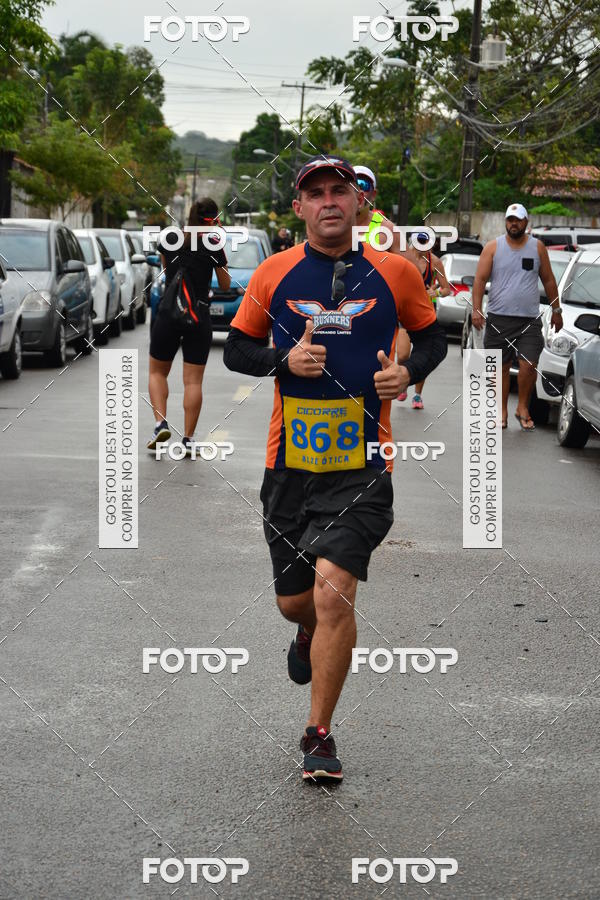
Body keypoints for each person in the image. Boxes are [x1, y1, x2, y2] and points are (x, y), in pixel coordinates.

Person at [223, 155, 447, 781]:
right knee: (296, 603)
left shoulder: (396, 272)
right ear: (299, 208)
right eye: (315, 193)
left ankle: (318, 734)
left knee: (332, 592)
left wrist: (410, 371)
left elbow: (432, 337)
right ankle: (303, 635)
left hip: (365, 466)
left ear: (359, 205)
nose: (328, 202)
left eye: (339, 192)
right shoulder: (273, 273)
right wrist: (281, 361)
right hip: (288, 463)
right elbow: (237, 351)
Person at [147, 198, 231, 452]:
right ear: (214, 219)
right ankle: (188, 439)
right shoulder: (213, 245)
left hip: (168, 314)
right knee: (193, 382)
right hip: (199, 315)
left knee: (157, 372)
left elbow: (165, 271)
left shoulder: (169, 239)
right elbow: (225, 284)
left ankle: (161, 424)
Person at [472, 203, 561, 430]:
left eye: (518, 219)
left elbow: (549, 280)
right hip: (499, 317)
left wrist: (557, 310)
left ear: (526, 222)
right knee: (500, 368)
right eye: (510, 219)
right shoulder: (493, 247)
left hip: (528, 320)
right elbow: (480, 280)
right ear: (506, 222)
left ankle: (522, 406)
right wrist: (476, 309)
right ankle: (500, 411)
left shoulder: (537, 248)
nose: (514, 223)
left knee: (529, 365)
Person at [354, 164, 412, 394]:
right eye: (350, 184)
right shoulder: (332, 224)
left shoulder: (386, 229)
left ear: (373, 194)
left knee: (372, 379)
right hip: (338, 312)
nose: (357, 190)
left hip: (375, 314)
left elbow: (411, 271)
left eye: (363, 185)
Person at [400, 233, 452, 408]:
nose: (423, 246)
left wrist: (434, 293)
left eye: (427, 243)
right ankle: (403, 381)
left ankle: (417, 396)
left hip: (425, 314)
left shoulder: (435, 262)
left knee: (422, 355)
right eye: (420, 242)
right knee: (403, 354)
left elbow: (446, 289)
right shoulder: (403, 258)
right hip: (404, 312)